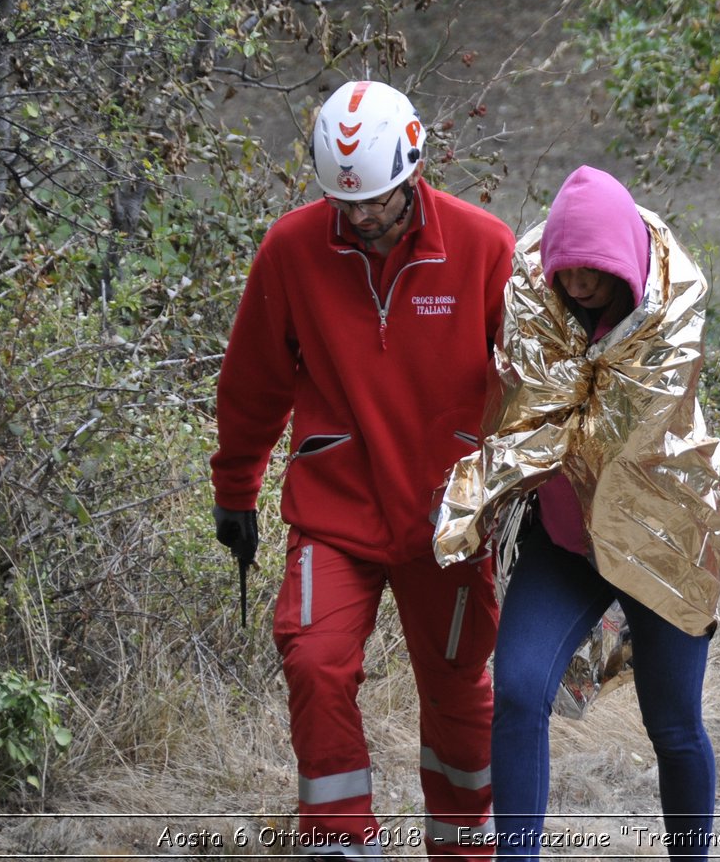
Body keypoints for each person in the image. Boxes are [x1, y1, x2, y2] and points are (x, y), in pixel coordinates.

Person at [210, 79, 514, 860]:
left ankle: (462, 846)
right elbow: (252, 383)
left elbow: (529, 388)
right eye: (346, 204)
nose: (361, 218)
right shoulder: (290, 249)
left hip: (448, 521)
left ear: (416, 171)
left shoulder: (485, 248)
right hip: (336, 509)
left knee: (458, 691)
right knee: (313, 658)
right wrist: (235, 487)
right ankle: (341, 844)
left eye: (377, 201)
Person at [433, 165, 720, 861]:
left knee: (674, 724)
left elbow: (612, 431)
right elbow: (523, 409)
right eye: (566, 273)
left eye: (591, 274)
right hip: (567, 540)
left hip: (662, 535)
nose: (575, 285)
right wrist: (473, 501)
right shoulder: (533, 295)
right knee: (516, 689)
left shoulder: (671, 308)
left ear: (623, 265)